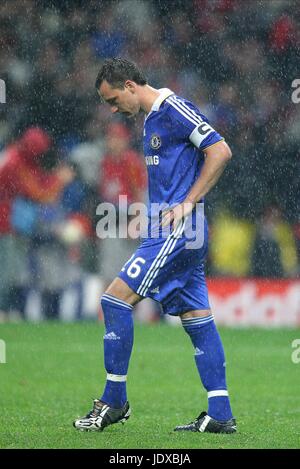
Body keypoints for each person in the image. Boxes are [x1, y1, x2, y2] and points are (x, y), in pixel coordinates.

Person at [73, 58, 236, 434]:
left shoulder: (172, 108)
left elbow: (220, 150)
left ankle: (114, 402)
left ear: (130, 85)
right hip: (175, 230)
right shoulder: (150, 120)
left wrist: (187, 203)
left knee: (114, 300)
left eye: (113, 99)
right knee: (196, 317)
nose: (114, 109)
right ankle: (220, 413)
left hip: (178, 230)